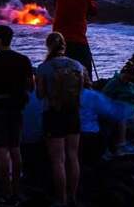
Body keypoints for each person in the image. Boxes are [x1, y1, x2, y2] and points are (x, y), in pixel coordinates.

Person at [0, 25, 34, 204]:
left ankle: (6, 191)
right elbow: (30, 85)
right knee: (16, 148)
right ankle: (17, 188)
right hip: (16, 108)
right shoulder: (23, 60)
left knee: (1, 150)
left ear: (0, 40)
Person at [36, 32, 83, 207]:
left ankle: (61, 199)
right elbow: (81, 90)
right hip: (73, 114)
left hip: (53, 114)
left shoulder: (44, 67)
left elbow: (40, 95)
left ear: (48, 46)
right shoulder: (77, 65)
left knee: (58, 160)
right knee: (73, 156)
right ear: (64, 45)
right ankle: (73, 197)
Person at [79, 72, 134, 164]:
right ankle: (120, 145)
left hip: (74, 139)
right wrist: (129, 110)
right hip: (91, 140)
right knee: (116, 116)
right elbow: (113, 111)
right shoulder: (90, 95)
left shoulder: (61, 97)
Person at [52, 0, 99, 79]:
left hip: (58, 37)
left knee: (60, 69)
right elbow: (93, 11)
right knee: (85, 68)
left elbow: (55, 4)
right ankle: (86, 90)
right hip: (77, 38)